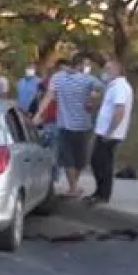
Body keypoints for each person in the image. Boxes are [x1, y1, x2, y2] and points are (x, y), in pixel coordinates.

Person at [34, 58, 102, 197]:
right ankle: (73, 187)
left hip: (65, 124)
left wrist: (38, 114)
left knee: (68, 158)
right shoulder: (89, 79)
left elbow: (48, 97)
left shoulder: (57, 78)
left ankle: (73, 186)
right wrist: (92, 98)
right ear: (80, 65)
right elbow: (100, 88)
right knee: (79, 158)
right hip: (82, 125)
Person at [86, 59, 134, 205]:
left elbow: (119, 111)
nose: (105, 73)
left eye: (108, 69)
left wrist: (109, 131)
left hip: (110, 133)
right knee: (97, 162)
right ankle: (99, 191)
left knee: (102, 163)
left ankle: (103, 194)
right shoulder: (112, 86)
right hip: (104, 131)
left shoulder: (120, 87)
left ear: (117, 70)